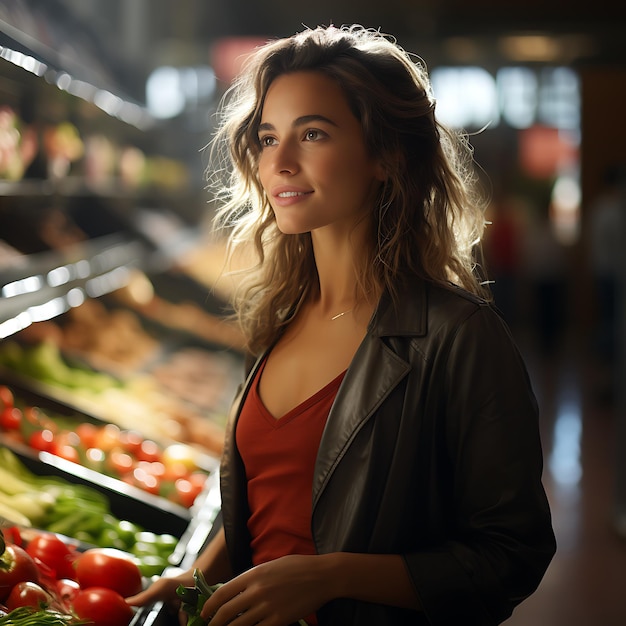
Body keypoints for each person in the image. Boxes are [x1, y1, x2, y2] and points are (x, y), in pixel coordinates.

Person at [127, 24, 556, 626]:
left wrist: (331, 577)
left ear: (386, 155)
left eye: (313, 133)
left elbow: (513, 555)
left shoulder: (460, 337)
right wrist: (206, 574)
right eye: (268, 136)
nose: (279, 161)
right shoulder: (279, 315)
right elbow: (275, 494)